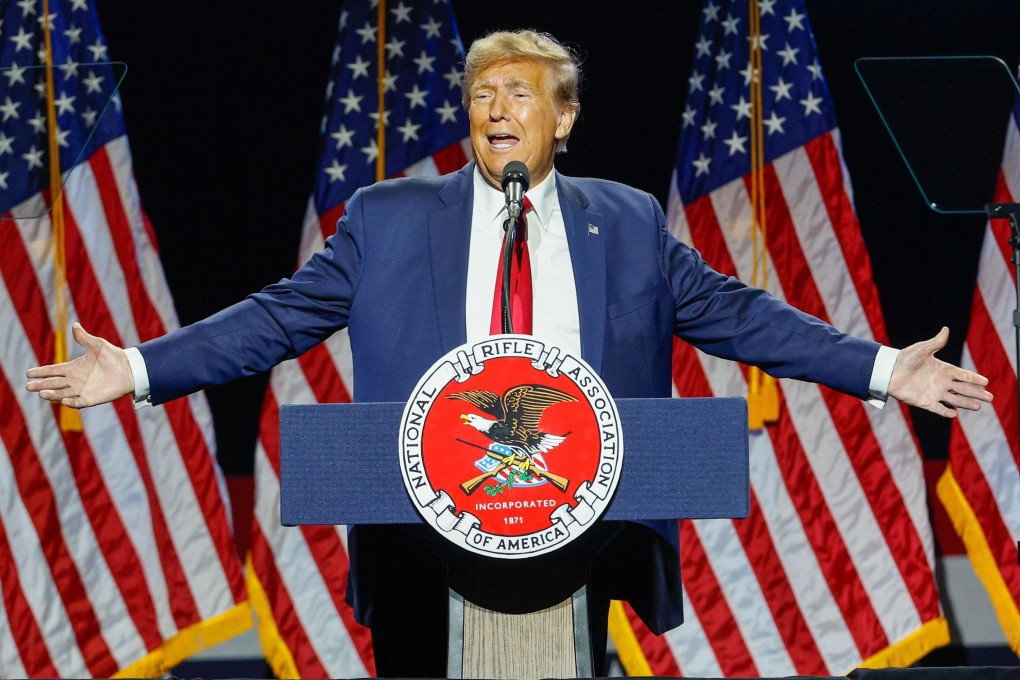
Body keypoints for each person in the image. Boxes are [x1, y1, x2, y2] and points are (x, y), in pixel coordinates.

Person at [27, 29, 991, 676]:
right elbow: (277, 318)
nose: (496, 108)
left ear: (561, 119)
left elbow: (741, 315)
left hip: (582, 529)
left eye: (519, 93)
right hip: (419, 533)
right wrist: (138, 367)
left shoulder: (628, 221)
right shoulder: (387, 218)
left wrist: (881, 367)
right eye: (482, 94)